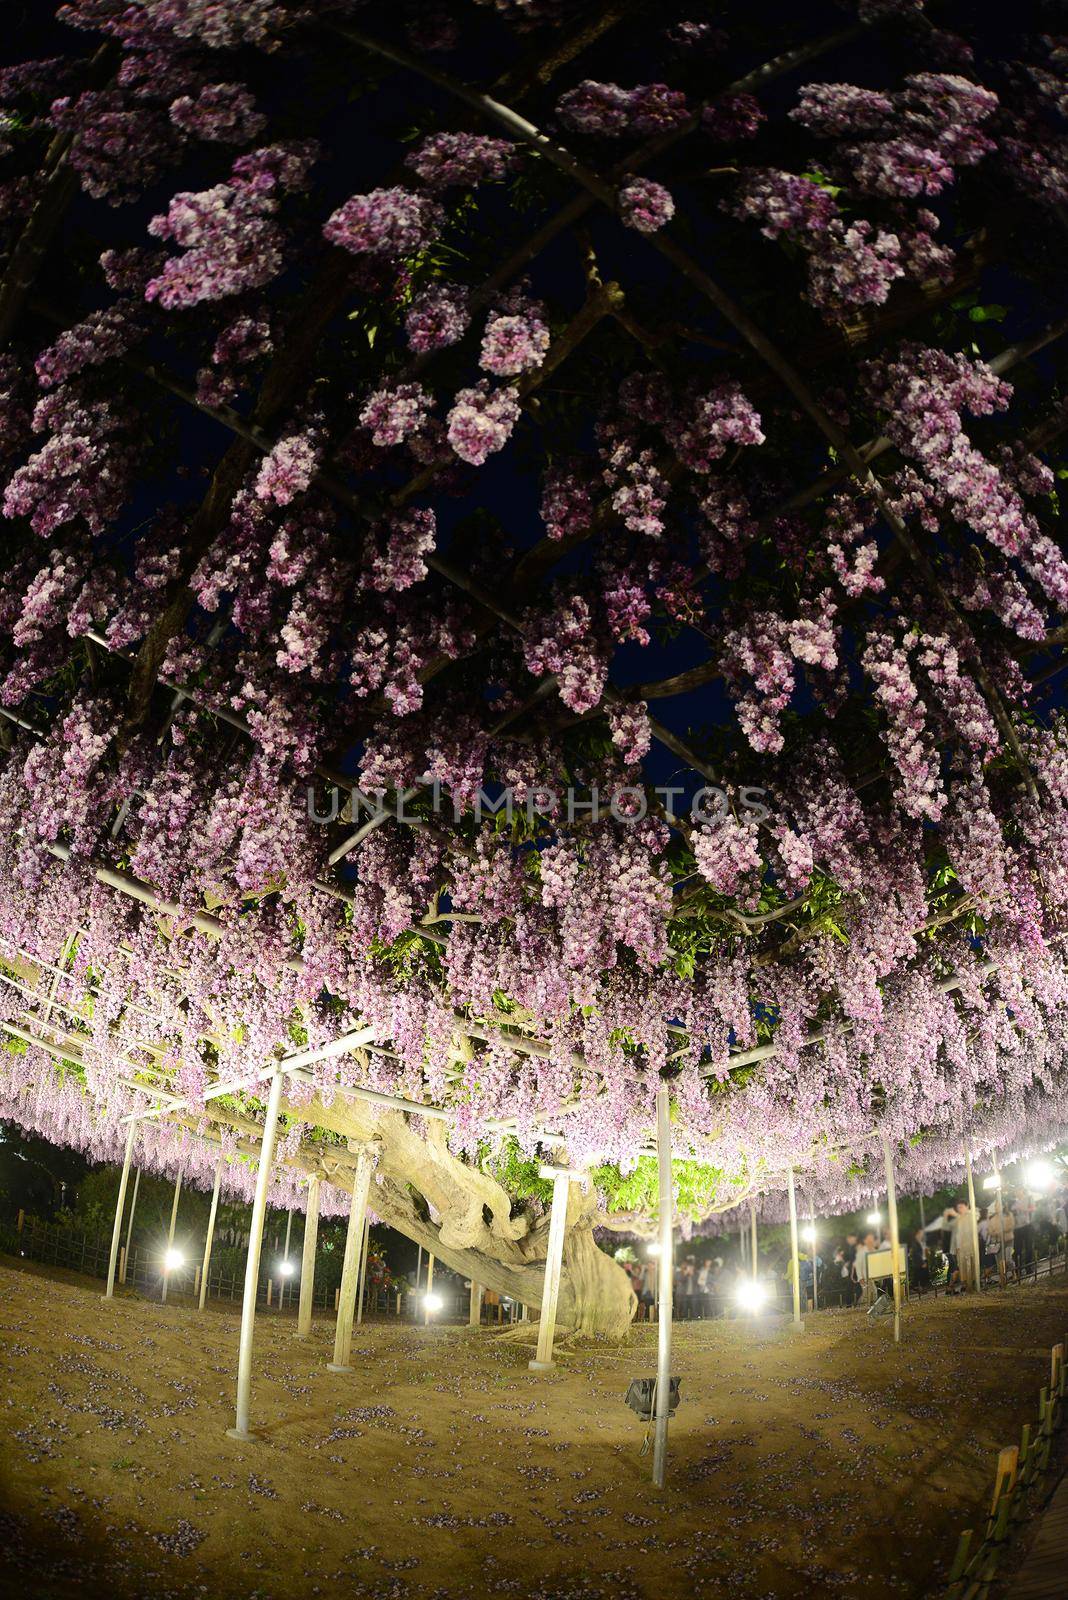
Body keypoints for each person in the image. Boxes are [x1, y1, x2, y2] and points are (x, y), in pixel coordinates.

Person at [907, 1226, 930, 1291]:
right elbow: (916, 1253)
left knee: (924, 1275)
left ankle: (922, 1288)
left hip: (924, 1259)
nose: (922, 1235)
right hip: (919, 1261)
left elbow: (922, 1251)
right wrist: (922, 1262)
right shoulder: (915, 1243)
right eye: (921, 1233)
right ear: (917, 1234)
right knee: (919, 1275)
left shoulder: (921, 1242)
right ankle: (918, 1288)